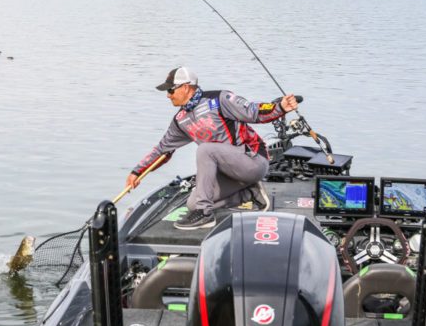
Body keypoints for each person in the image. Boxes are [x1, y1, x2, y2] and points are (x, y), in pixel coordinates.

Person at [126, 66, 298, 230]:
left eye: (171, 90)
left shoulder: (219, 99)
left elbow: (253, 111)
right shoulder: (180, 120)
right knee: (193, 203)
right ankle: (250, 193)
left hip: (253, 161)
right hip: (229, 173)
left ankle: (205, 216)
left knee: (205, 150)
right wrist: (137, 172)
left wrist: (280, 107)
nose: (168, 95)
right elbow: (162, 150)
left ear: (185, 87)